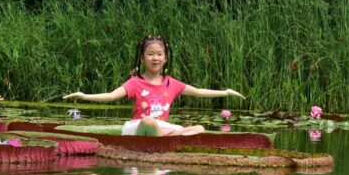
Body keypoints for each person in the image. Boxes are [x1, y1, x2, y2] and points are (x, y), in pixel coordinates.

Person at [63, 35, 244, 136]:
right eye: (150, 54)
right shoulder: (135, 82)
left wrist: (225, 92)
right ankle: (165, 144)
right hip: (139, 128)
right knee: (149, 120)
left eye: (159, 54)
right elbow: (111, 96)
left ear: (165, 58)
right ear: (142, 58)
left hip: (162, 129)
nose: (155, 58)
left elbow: (197, 91)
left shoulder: (171, 83)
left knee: (200, 128)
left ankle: (167, 142)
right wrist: (84, 95)